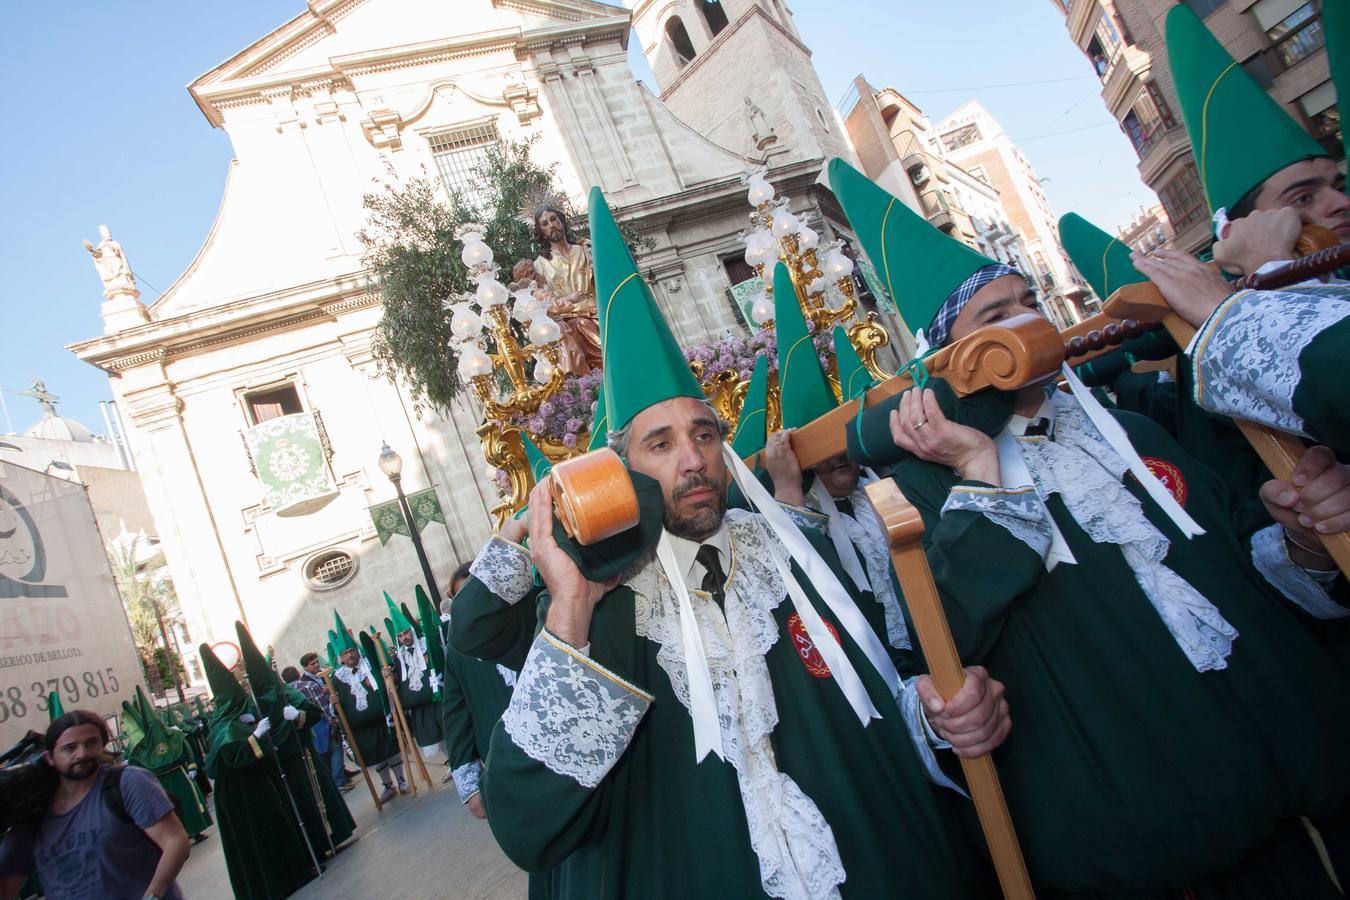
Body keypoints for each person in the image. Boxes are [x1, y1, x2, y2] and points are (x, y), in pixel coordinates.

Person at [832, 156, 1350, 897]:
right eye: (995, 315)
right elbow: (942, 650)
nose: (1027, 322)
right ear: (948, 358)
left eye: (1028, 298)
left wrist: (1305, 539)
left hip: (1306, 817)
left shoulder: (1135, 430)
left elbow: (1256, 572)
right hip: (1152, 859)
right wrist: (982, 470)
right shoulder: (917, 495)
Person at [476, 188, 1010, 899]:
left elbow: (874, 702)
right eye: (659, 444)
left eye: (704, 435)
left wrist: (941, 715)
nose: (693, 460)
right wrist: (568, 611)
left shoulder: (791, 556)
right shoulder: (597, 612)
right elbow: (529, 826)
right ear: (621, 469)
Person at [1128, 6, 1350, 456]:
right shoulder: (1210, 359)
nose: (1341, 204)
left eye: (1337, 186)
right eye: (1302, 199)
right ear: (1237, 232)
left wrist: (1242, 295)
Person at [0, 711, 190, 900]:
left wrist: (153, 896)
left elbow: (175, 841)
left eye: (91, 743)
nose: (82, 753)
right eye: (69, 748)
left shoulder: (127, 783)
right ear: (49, 757)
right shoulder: (34, 810)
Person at [199, 643, 317, 899]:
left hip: (256, 784)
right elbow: (231, 756)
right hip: (240, 792)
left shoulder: (234, 719)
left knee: (272, 829)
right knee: (257, 837)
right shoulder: (223, 727)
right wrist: (255, 736)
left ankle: (288, 875)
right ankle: (272, 885)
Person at [331, 612, 407, 802]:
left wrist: (387, 675)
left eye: (352, 650)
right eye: (345, 653)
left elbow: (387, 682)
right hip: (360, 728)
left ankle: (401, 779)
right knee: (375, 757)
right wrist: (334, 701)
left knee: (391, 750)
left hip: (382, 719)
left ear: (357, 650)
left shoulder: (370, 665)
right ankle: (387, 785)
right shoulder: (338, 678)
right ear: (340, 657)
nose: (350, 655)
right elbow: (337, 704)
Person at [526, 200, 602, 375]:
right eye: (545, 224)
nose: (551, 225)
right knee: (582, 326)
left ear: (561, 221)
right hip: (571, 318)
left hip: (600, 310)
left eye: (553, 219)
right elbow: (546, 305)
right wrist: (569, 300)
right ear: (542, 233)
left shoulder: (584, 250)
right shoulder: (540, 265)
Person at [385, 598, 444, 760]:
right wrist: (390, 676)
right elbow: (399, 680)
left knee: (448, 732)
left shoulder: (427, 644)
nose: (404, 637)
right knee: (433, 739)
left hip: (437, 700)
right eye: (400, 635)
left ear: (411, 630)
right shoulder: (398, 657)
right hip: (419, 707)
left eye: (406, 632)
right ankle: (452, 763)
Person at [294, 654, 352, 793]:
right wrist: (330, 718)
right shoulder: (306, 682)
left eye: (316, 662)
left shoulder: (319, 676)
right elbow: (319, 704)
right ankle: (339, 780)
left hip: (326, 718)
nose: (316, 665)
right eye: (312, 664)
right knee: (334, 748)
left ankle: (341, 774)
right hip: (322, 721)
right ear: (305, 667)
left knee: (333, 748)